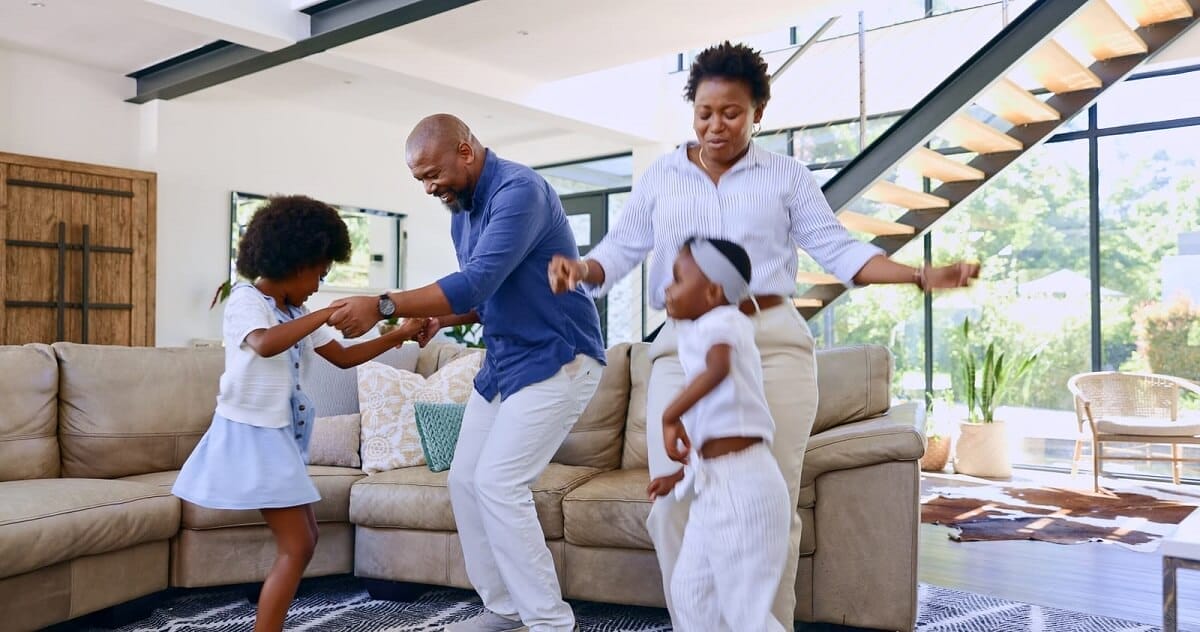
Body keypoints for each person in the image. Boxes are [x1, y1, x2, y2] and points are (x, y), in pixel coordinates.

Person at [547, 41, 979, 628]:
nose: (715, 125)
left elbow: (838, 249)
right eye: (704, 112)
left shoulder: (786, 176)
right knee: (672, 504)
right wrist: (581, 270)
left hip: (772, 343)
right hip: (679, 346)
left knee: (768, 503)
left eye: (732, 113)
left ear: (757, 113)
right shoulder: (662, 177)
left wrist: (917, 275)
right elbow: (618, 251)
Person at [327, 114, 606, 632]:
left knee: (500, 484)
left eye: (434, 174)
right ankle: (503, 609)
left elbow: (476, 281)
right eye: (420, 180)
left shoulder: (520, 191)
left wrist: (383, 304)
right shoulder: (462, 210)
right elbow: (488, 296)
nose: (431, 187)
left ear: (466, 150)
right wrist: (437, 317)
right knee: (465, 480)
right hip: (504, 362)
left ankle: (549, 623)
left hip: (558, 357)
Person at [172, 195, 428, 632]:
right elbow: (265, 343)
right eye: (319, 272)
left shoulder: (295, 311)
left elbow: (345, 358)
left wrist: (398, 335)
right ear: (295, 259)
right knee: (297, 545)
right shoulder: (246, 301)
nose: (318, 283)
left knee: (303, 542)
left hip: (277, 437)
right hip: (252, 436)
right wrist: (328, 312)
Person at [646, 237, 790, 632]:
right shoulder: (699, 333)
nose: (666, 290)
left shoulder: (725, 321)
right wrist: (679, 475)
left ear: (712, 291)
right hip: (714, 486)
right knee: (691, 593)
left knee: (746, 613)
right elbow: (716, 429)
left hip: (746, 489)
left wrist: (670, 413)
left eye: (676, 279)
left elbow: (719, 367)